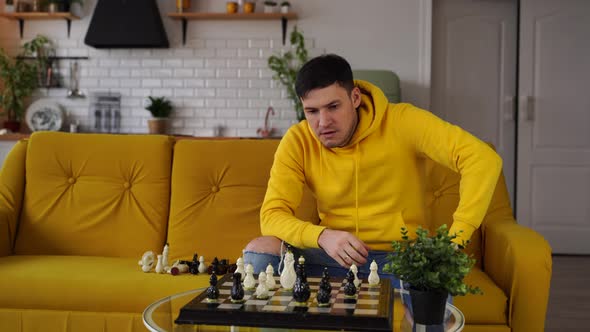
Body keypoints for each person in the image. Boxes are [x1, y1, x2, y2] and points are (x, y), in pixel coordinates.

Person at [243, 54, 502, 287]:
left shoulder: (403, 121)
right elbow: (272, 215)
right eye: (312, 111)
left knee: (434, 282)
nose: (323, 122)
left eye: (333, 107)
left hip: (401, 260)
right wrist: (322, 236)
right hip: (332, 256)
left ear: (354, 97)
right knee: (259, 251)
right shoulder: (298, 140)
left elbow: (482, 159)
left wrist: (454, 242)